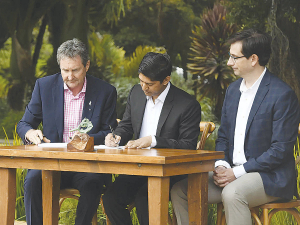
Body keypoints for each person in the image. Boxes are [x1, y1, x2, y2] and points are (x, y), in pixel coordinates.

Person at [170, 28, 300, 225]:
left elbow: (280, 151)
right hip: (230, 172)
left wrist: (236, 173)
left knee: (233, 193)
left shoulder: (282, 95)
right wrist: (221, 166)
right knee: (180, 190)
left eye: (234, 57)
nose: (229, 63)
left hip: (270, 178)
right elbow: (223, 137)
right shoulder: (232, 91)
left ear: (253, 59)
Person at [17, 38, 118, 225]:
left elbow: (109, 133)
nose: (70, 76)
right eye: (65, 70)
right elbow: (23, 124)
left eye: (75, 70)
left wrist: (86, 139)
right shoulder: (44, 87)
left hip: (87, 166)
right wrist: (30, 133)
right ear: (60, 67)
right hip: (51, 164)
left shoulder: (105, 91)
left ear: (86, 66)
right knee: (32, 181)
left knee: (93, 184)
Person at [102, 52, 201, 225]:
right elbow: (126, 125)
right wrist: (116, 136)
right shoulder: (136, 93)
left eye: (149, 84)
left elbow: (188, 146)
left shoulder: (187, 105)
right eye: (141, 81)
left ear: (166, 80)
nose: (143, 87)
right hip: (138, 168)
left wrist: (153, 141)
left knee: (145, 199)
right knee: (111, 198)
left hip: (169, 172)